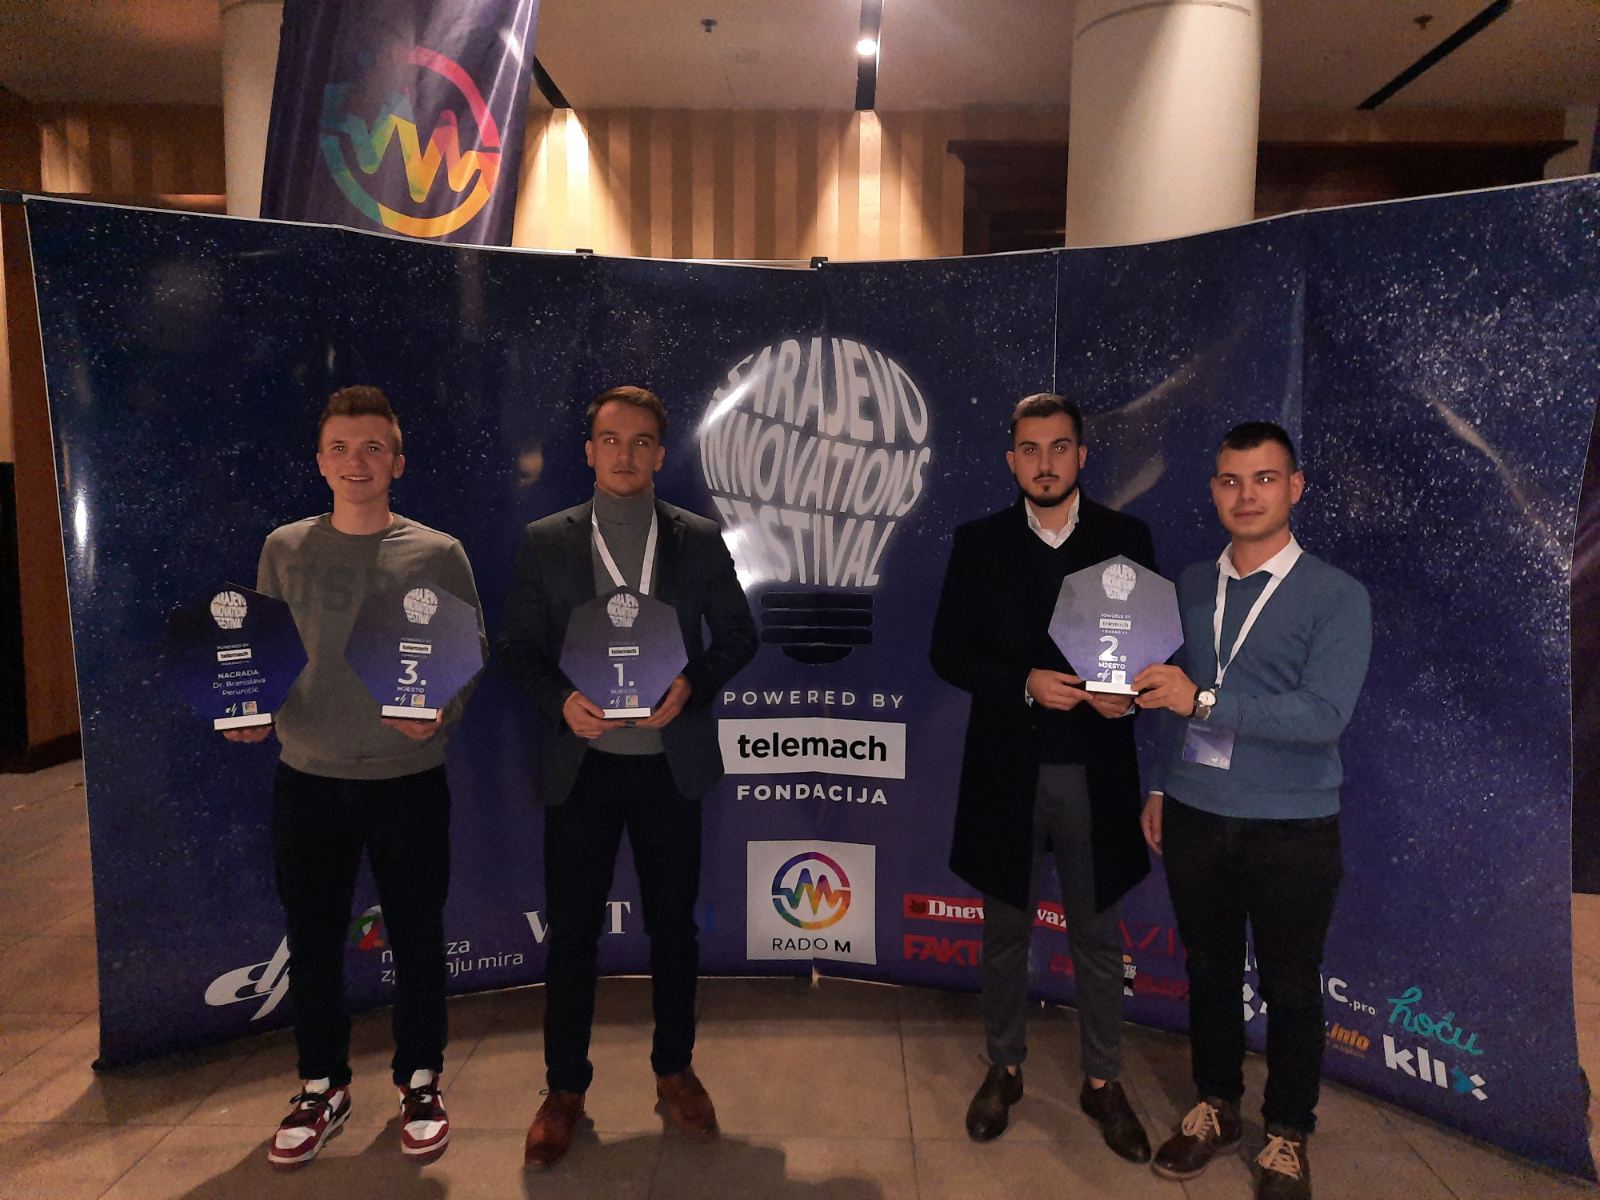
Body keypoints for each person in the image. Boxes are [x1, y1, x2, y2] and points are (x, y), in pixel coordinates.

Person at [226, 385, 486, 1168]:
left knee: (417, 934)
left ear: (397, 461)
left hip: (408, 778)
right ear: (319, 462)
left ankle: (421, 1079)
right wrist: (251, 710)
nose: (356, 462)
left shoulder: (437, 553)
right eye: (340, 448)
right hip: (308, 777)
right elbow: (264, 653)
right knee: (311, 938)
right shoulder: (283, 547)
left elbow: (468, 652)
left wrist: (441, 713)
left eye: (373, 447)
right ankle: (321, 1085)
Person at [498, 384, 757, 1168]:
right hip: (583, 767)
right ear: (589, 451)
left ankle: (674, 1070)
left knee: (674, 929)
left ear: (659, 453)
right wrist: (561, 701)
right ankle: (564, 1089)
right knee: (573, 933)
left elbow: (738, 635)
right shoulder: (547, 540)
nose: (625, 454)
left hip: (668, 767)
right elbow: (518, 647)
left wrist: (692, 686)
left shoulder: (697, 539)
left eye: (642, 441)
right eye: (611, 440)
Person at [1134, 421, 1371, 1200]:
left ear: (1294, 488)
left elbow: (1323, 715)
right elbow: (1167, 696)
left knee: (1292, 986)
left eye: (1264, 479)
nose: (1247, 495)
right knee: (1207, 971)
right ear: (1213, 491)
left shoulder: (1337, 595)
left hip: (1292, 825)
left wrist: (1204, 700)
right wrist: (1161, 784)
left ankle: (1288, 1133)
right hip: (1196, 810)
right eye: (1231, 481)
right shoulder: (1190, 584)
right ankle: (1216, 1106)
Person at [929, 392, 1156, 1163]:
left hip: (1096, 772)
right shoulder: (980, 542)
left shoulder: (1126, 539)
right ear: (1012, 460)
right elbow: (947, 652)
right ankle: (1004, 1067)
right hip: (1007, 773)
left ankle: (1103, 1080)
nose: (1046, 463)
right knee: (1004, 933)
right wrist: (1023, 683)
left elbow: (1151, 655)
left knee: (1097, 935)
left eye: (1060, 448)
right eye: (1030, 449)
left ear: (1082, 455)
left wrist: (1132, 695)